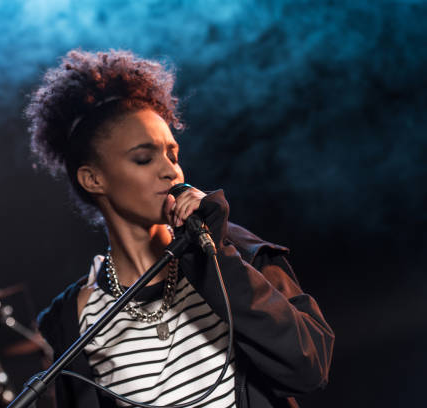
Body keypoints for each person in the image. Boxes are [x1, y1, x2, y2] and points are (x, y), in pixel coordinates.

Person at [28, 49, 334, 408]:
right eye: (144, 158)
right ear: (93, 178)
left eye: (172, 155)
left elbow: (309, 368)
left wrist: (217, 258)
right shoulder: (75, 318)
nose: (171, 171)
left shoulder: (233, 251)